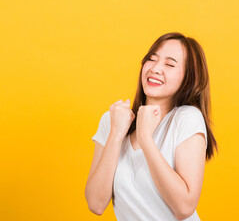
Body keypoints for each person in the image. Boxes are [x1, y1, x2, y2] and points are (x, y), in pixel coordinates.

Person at [85, 32, 218, 221]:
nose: (155, 68)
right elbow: (96, 204)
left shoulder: (187, 119)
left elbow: (184, 207)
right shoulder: (113, 120)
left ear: (188, 78)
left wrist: (146, 139)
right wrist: (116, 134)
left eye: (170, 64)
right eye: (151, 59)